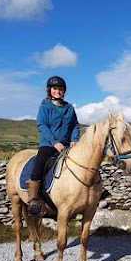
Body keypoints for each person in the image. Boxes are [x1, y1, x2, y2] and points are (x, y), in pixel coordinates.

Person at [26, 76, 80, 216]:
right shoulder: (45, 107)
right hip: (49, 144)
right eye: (55, 89)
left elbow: (75, 125)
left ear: (64, 91)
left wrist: (74, 139)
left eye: (60, 89)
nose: (58, 91)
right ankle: (33, 199)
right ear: (50, 90)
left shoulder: (69, 108)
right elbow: (42, 125)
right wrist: (55, 142)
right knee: (39, 164)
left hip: (68, 145)